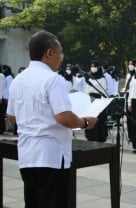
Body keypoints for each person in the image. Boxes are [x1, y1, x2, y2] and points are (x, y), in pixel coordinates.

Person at [6, 31, 97, 208]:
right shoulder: (53, 80)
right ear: (49, 53)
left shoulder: (19, 80)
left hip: (27, 156)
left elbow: (11, 115)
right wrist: (84, 122)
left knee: (33, 203)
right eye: (60, 52)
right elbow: (64, 117)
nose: (61, 58)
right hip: (51, 157)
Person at [84, 60, 109, 142]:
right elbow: (86, 89)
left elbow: (103, 90)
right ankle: (90, 137)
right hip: (89, 99)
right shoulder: (90, 78)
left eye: (94, 66)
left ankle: (99, 137)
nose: (92, 68)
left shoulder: (102, 79)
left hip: (98, 99)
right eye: (91, 66)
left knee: (98, 120)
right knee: (89, 119)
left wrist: (101, 103)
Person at [0, 65, 13, 134]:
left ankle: (2, 129)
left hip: (4, 99)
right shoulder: (5, 77)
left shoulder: (7, 77)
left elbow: (7, 89)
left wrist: (7, 99)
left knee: (1, 115)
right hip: (4, 98)